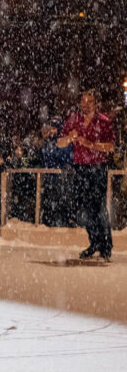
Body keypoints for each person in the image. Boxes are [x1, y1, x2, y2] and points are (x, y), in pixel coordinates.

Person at [57, 90, 115, 260]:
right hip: (80, 167)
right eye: (83, 101)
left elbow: (111, 147)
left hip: (97, 168)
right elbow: (59, 143)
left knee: (98, 207)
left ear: (96, 104)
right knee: (80, 207)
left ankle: (105, 245)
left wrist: (90, 144)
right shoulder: (74, 119)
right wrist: (69, 137)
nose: (86, 104)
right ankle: (95, 241)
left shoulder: (103, 121)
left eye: (90, 101)